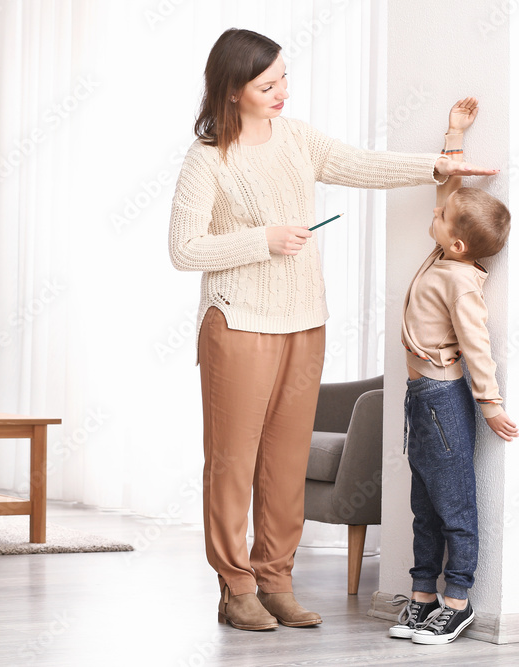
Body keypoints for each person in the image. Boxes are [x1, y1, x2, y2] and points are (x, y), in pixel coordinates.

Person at [168, 28, 500, 632]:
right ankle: (234, 585)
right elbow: (184, 249)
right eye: (268, 85)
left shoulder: (294, 138)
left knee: (285, 460)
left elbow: (360, 163)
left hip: (305, 320)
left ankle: (275, 580)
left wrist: (438, 164)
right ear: (232, 90)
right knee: (233, 463)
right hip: (237, 321)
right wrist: (262, 240)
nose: (282, 93)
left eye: (285, 79)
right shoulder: (207, 158)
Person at [389, 97, 518, 645]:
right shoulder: (445, 257)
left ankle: (457, 599)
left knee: (453, 502)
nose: (433, 216)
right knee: (422, 500)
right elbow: (448, 191)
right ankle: (421, 594)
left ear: (458, 242)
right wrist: (453, 134)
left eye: (440, 220)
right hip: (420, 399)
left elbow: (477, 343)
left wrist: (489, 402)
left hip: (443, 399)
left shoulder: (461, 280)